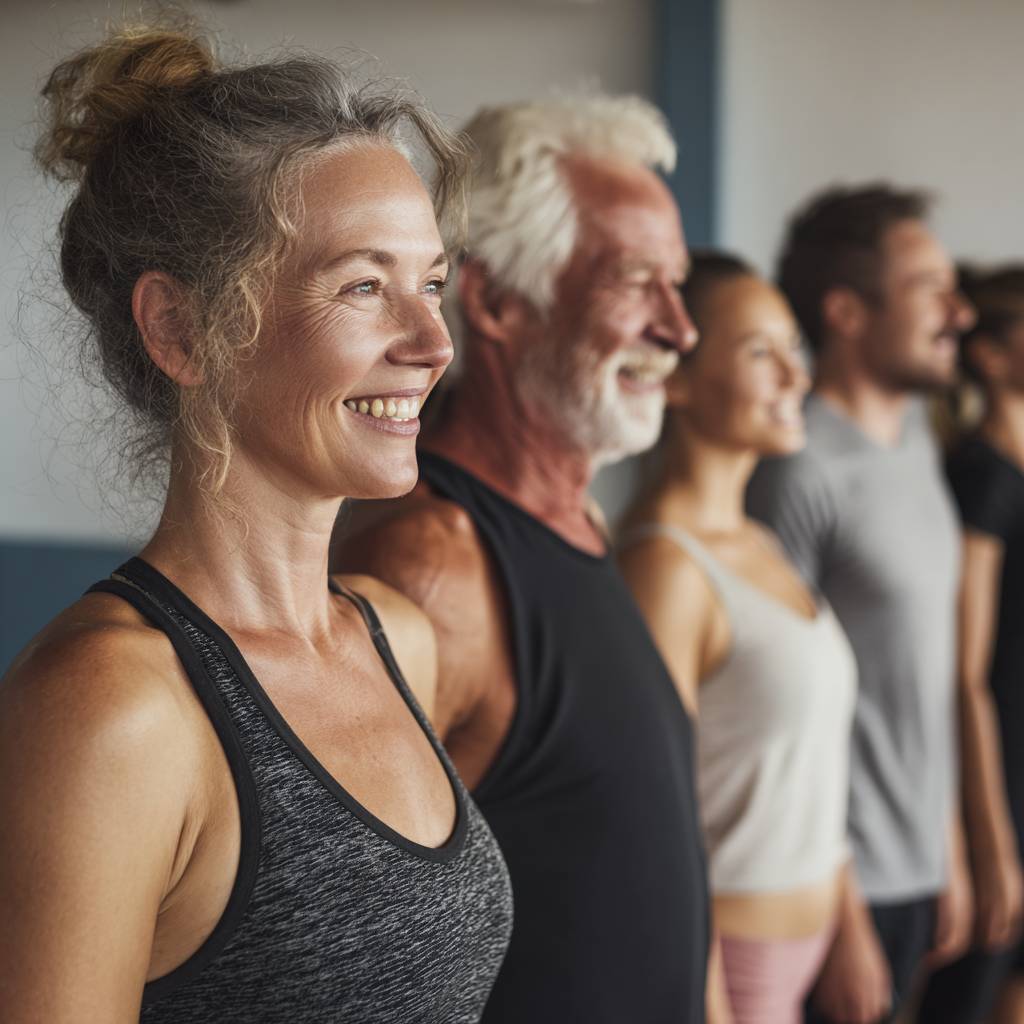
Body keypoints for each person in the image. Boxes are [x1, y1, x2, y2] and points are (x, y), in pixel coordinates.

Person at [0, 22, 513, 1023]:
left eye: (432, 285)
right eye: (364, 286)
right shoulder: (110, 712)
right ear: (181, 329)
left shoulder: (394, 636)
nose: (432, 342)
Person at [331, 95, 709, 1023]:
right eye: (634, 281)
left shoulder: (578, 521)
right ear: (496, 301)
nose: (679, 328)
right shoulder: (431, 563)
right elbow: (341, 956)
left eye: (680, 283)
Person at [746, 184, 977, 1024]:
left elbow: (924, 670)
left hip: (918, 870)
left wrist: (948, 847)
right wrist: (844, 919)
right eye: (930, 289)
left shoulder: (917, 439)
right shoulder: (796, 469)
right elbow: (778, 705)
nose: (959, 312)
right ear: (846, 311)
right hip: (838, 889)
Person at [617, 252, 857, 1024]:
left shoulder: (760, 538)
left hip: (811, 946)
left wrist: (848, 921)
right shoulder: (665, 566)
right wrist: (711, 999)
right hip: (734, 966)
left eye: (794, 346)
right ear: (676, 377)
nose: (798, 377)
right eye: (761, 351)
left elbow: (813, 761)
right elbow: (658, 820)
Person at [917, 267, 1024, 1024]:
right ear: (988, 355)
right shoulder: (981, 475)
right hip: (1002, 773)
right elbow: (966, 673)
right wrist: (991, 842)